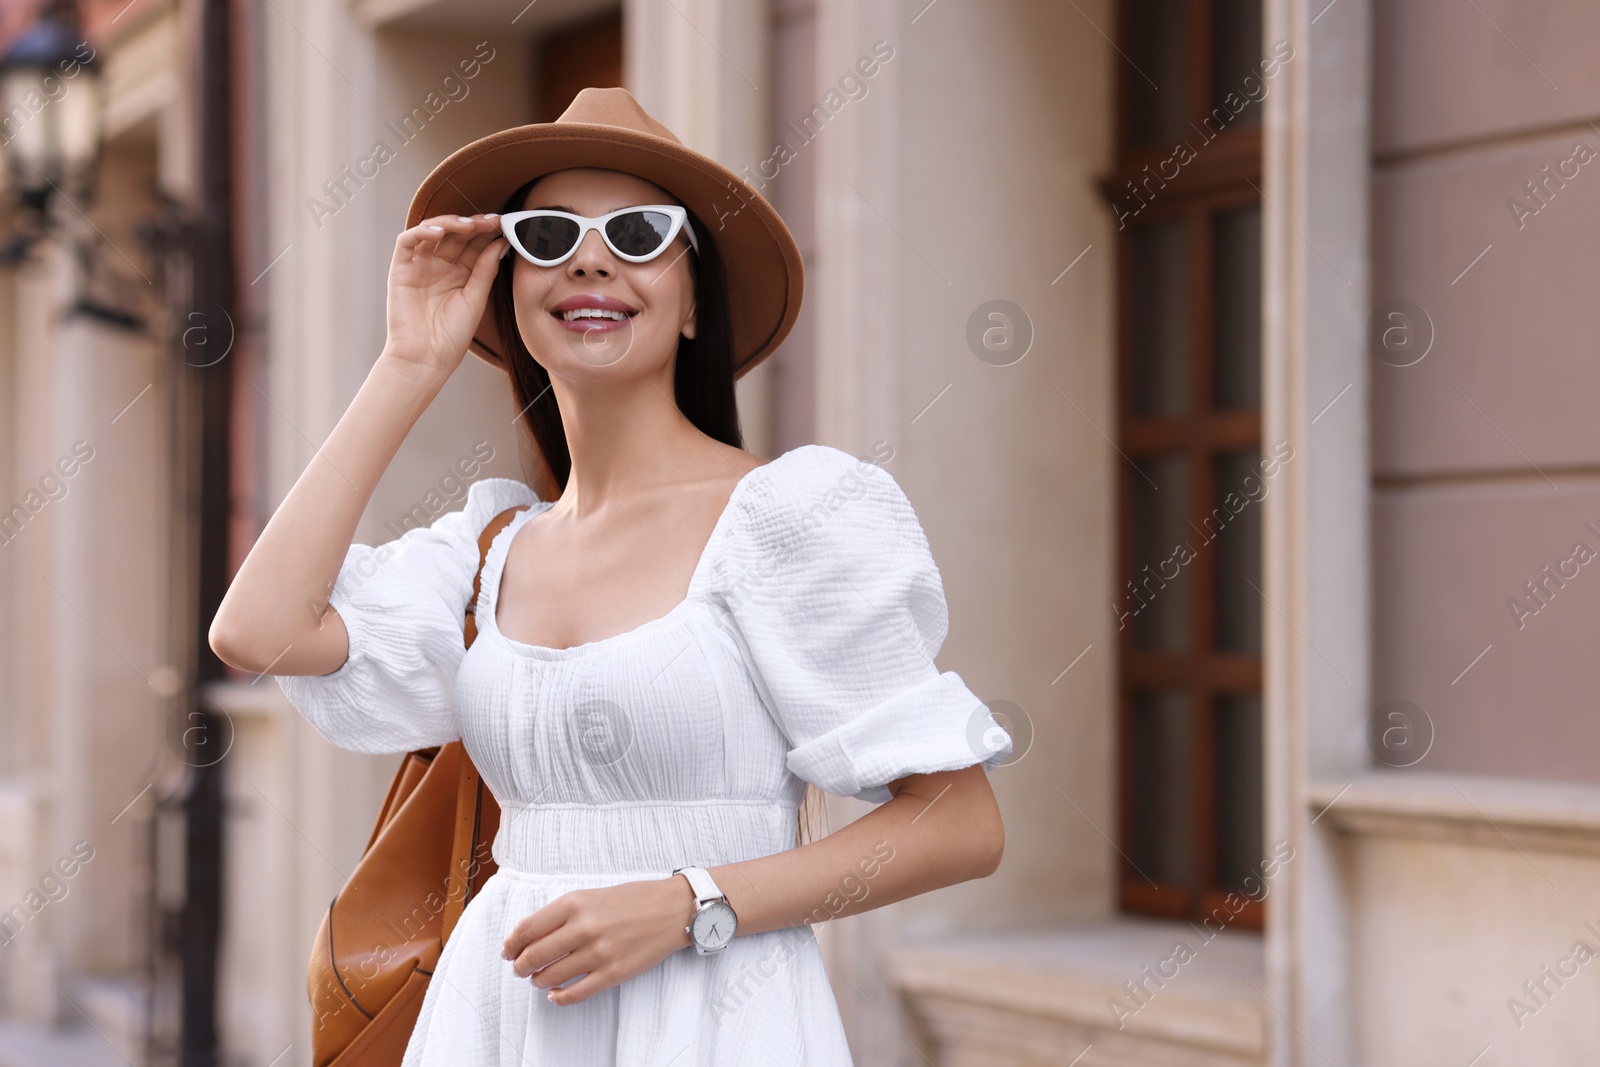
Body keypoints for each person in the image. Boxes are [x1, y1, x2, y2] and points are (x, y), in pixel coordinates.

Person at [210, 87, 1012, 1066]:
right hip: (496, 1018)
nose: (592, 258)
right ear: (509, 294)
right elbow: (256, 630)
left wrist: (692, 903)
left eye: (638, 233)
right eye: (548, 236)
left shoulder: (788, 520)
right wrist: (410, 361)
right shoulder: (487, 551)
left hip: (718, 1014)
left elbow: (959, 821)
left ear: (692, 302)